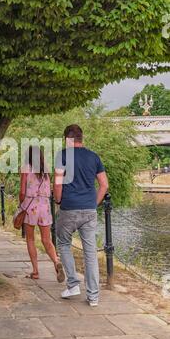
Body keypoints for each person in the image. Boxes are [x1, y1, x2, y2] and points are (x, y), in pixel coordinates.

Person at [54, 124, 109, 307]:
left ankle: (73, 284)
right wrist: (93, 203)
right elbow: (104, 185)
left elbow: (58, 183)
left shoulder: (62, 155)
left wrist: (58, 200)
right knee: (90, 252)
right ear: (81, 138)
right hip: (89, 211)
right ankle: (93, 296)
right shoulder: (94, 157)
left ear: (67, 139)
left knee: (63, 243)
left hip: (69, 208)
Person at [19, 146, 65, 282]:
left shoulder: (25, 169)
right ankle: (56, 262)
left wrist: (21, 205)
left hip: (30, 206)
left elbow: (22, 191)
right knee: (47, 240)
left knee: (30, 239)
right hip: (45, 207)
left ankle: (35, 271)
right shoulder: (46, 171)